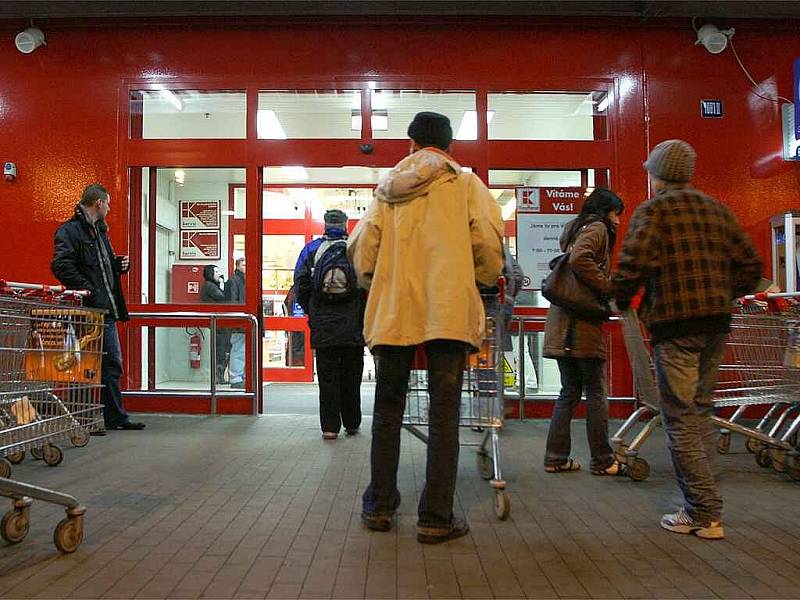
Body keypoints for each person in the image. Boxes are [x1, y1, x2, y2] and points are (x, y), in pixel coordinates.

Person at [348, 111, 503, 544]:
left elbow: (362, 251)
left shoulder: (386, 191)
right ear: (450, 147)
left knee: (387, 411)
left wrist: (378, 283)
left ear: (412, 145)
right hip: (449, 314)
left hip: (395, 314)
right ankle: (436, 516)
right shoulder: (467, 186)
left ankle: (379, 505)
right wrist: (481, 281)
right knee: (444, 416)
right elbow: (488, 244)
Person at [612, 139, 762, 540]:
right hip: (715, 324)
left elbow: (632, 264)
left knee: (679, 418)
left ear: (657, 173)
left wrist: (624, 300)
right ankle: (707, 501)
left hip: (675, 327)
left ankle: (702, 512)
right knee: (701, 411)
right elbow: (751, 264)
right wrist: (723, 295)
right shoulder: (716, 209)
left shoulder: (654, 210)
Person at [542, 188, 625, 476]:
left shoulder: (575, 229)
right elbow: (580, 259)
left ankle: (556, 457)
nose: (617, 221)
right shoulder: (598, 228)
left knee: (569, 391)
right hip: (581, 326)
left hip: (562, 324)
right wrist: (606, 286)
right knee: (595, 391)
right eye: (616, 213)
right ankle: (602, 459)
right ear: (605, 211)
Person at [51, 183, 145, 433]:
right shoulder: (70, 232)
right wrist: (87, 289)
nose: (109, 208)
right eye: (109, 203)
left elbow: (100, 269)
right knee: (84, 365)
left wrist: (118, 265)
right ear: (99, 203)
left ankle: (114, 417)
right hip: (87, 310)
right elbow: (61, 265)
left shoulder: (100, 233)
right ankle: (83, 419)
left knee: (111, 363)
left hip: (105, 309)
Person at [294, 209, 366, 440]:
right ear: (346, 225)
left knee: (327, 378)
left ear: (324, 225)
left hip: (323, 325)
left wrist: (312, 310)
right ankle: (352, 423)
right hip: (353, 324)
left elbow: (300, 284)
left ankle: (330, 428)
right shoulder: (355, 248)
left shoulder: (311, 250)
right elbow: (368, 283)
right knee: (351, 376)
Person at [201, 264, 229, 383]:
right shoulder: (210, 286)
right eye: (216, 272)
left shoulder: (211, 285)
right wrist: (222, 284)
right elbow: (222, 297)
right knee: (221, 349)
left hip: (218, 322)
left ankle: (220, 376)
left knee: (222, 348)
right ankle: (218, 377)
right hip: (218, 322)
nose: (219, 274)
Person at [226, 257, 246, 388]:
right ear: (237, 266)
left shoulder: (244, 281)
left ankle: (240, 376)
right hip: (239, 323)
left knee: (242, 350)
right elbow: (233, 302)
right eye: (244, 265)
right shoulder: (234, 281)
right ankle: (235, 378)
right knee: (238, 350)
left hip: (243, 322)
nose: (246, 267)